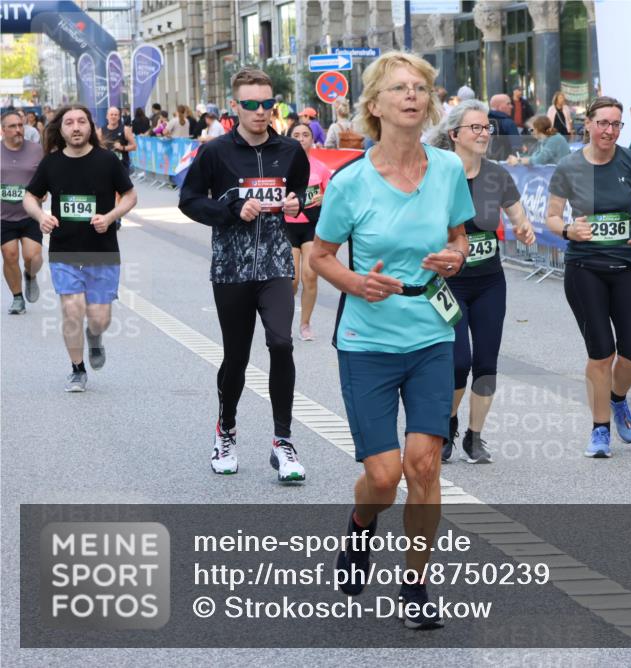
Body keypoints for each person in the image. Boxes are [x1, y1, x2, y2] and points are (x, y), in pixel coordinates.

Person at [309, 51, 474, 629]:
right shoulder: (350, 182)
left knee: (424, 466)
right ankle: (361, 524)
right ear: (374, 105)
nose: (412, 96)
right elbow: (319, 256)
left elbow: (460, 238)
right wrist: (358, 282)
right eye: (399, 89)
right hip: (367, 341)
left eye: (420, 88)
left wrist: (455, 256)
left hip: (431, 334)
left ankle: (415, 586)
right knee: (384, 476)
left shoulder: (449, 170)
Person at [178, 67, 310, 481]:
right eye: (251, 104)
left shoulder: (291, 151)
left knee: (282, 344)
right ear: (235, 106)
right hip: (231, 269)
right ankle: (227, 431)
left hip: (275, 265)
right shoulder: (216, 151)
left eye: (267, 103)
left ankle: (283, 442)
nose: (260, 111)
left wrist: (295, 204)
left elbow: (301, 193)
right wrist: (232, 210)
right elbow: (189, 200)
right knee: (237, 357)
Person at [545, 96, 631, 458]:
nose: (609, 130)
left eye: (616, 124)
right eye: (603, 123)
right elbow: (551, 216)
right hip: (585, 268)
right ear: (588, 124)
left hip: (626, 266)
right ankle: (599, 430)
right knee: (601, 353)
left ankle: (617, 398)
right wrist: (568, 231)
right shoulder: (568, 167)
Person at [431, 100, 536, 463]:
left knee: (486, 362)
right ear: (454, 135)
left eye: (486, 128)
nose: (482, 133)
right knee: (458, 361)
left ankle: (475, 437)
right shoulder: (438, 174)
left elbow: (518, 216)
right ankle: (447, 424)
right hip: (448, 284)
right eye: (474, 127)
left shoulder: (497, 175)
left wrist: (524, 228)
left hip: (490, 281)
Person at [22, 104, 137, 392]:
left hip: (102, 251)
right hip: (64, 251)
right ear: (60, 129)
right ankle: (77, 369)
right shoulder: (51, 163)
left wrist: (110, 217)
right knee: (72, 310)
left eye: (81, 121)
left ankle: (94, 337)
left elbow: (130, 195)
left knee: (99, 318)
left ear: (90, 127)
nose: (76, 127)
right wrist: (42, 216)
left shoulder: (107, 160)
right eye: (69, 122)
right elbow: (29, 197)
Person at [286, 121, 330, 342]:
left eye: (305, 134)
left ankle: (305, 324)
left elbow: (333, 195)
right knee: (292, 280)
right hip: (287, 225)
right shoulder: (282, 166)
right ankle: (283, 317)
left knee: (310, 276)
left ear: (312, 139)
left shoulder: (321, 168)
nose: (301, 138)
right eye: (296, 135)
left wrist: (324, 197)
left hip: (311, 225)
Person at [1, 109, 45, 314]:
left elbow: (46, 176)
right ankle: (17, 298)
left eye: (20, 125)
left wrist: (44, 192)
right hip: (4, 215)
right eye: (12, 126)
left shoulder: (36, 149)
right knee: (9, 256)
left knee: (32, 257)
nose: (18, 130)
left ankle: (30, 275)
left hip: (30, 214)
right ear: (3, 130)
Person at [486, 93, 520, 160]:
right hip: (506, 161)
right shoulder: (508, 123)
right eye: (508, 104)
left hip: (487, 161)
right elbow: (517, 146)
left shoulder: (483, 120)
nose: (511, 106)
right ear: (499, 106)